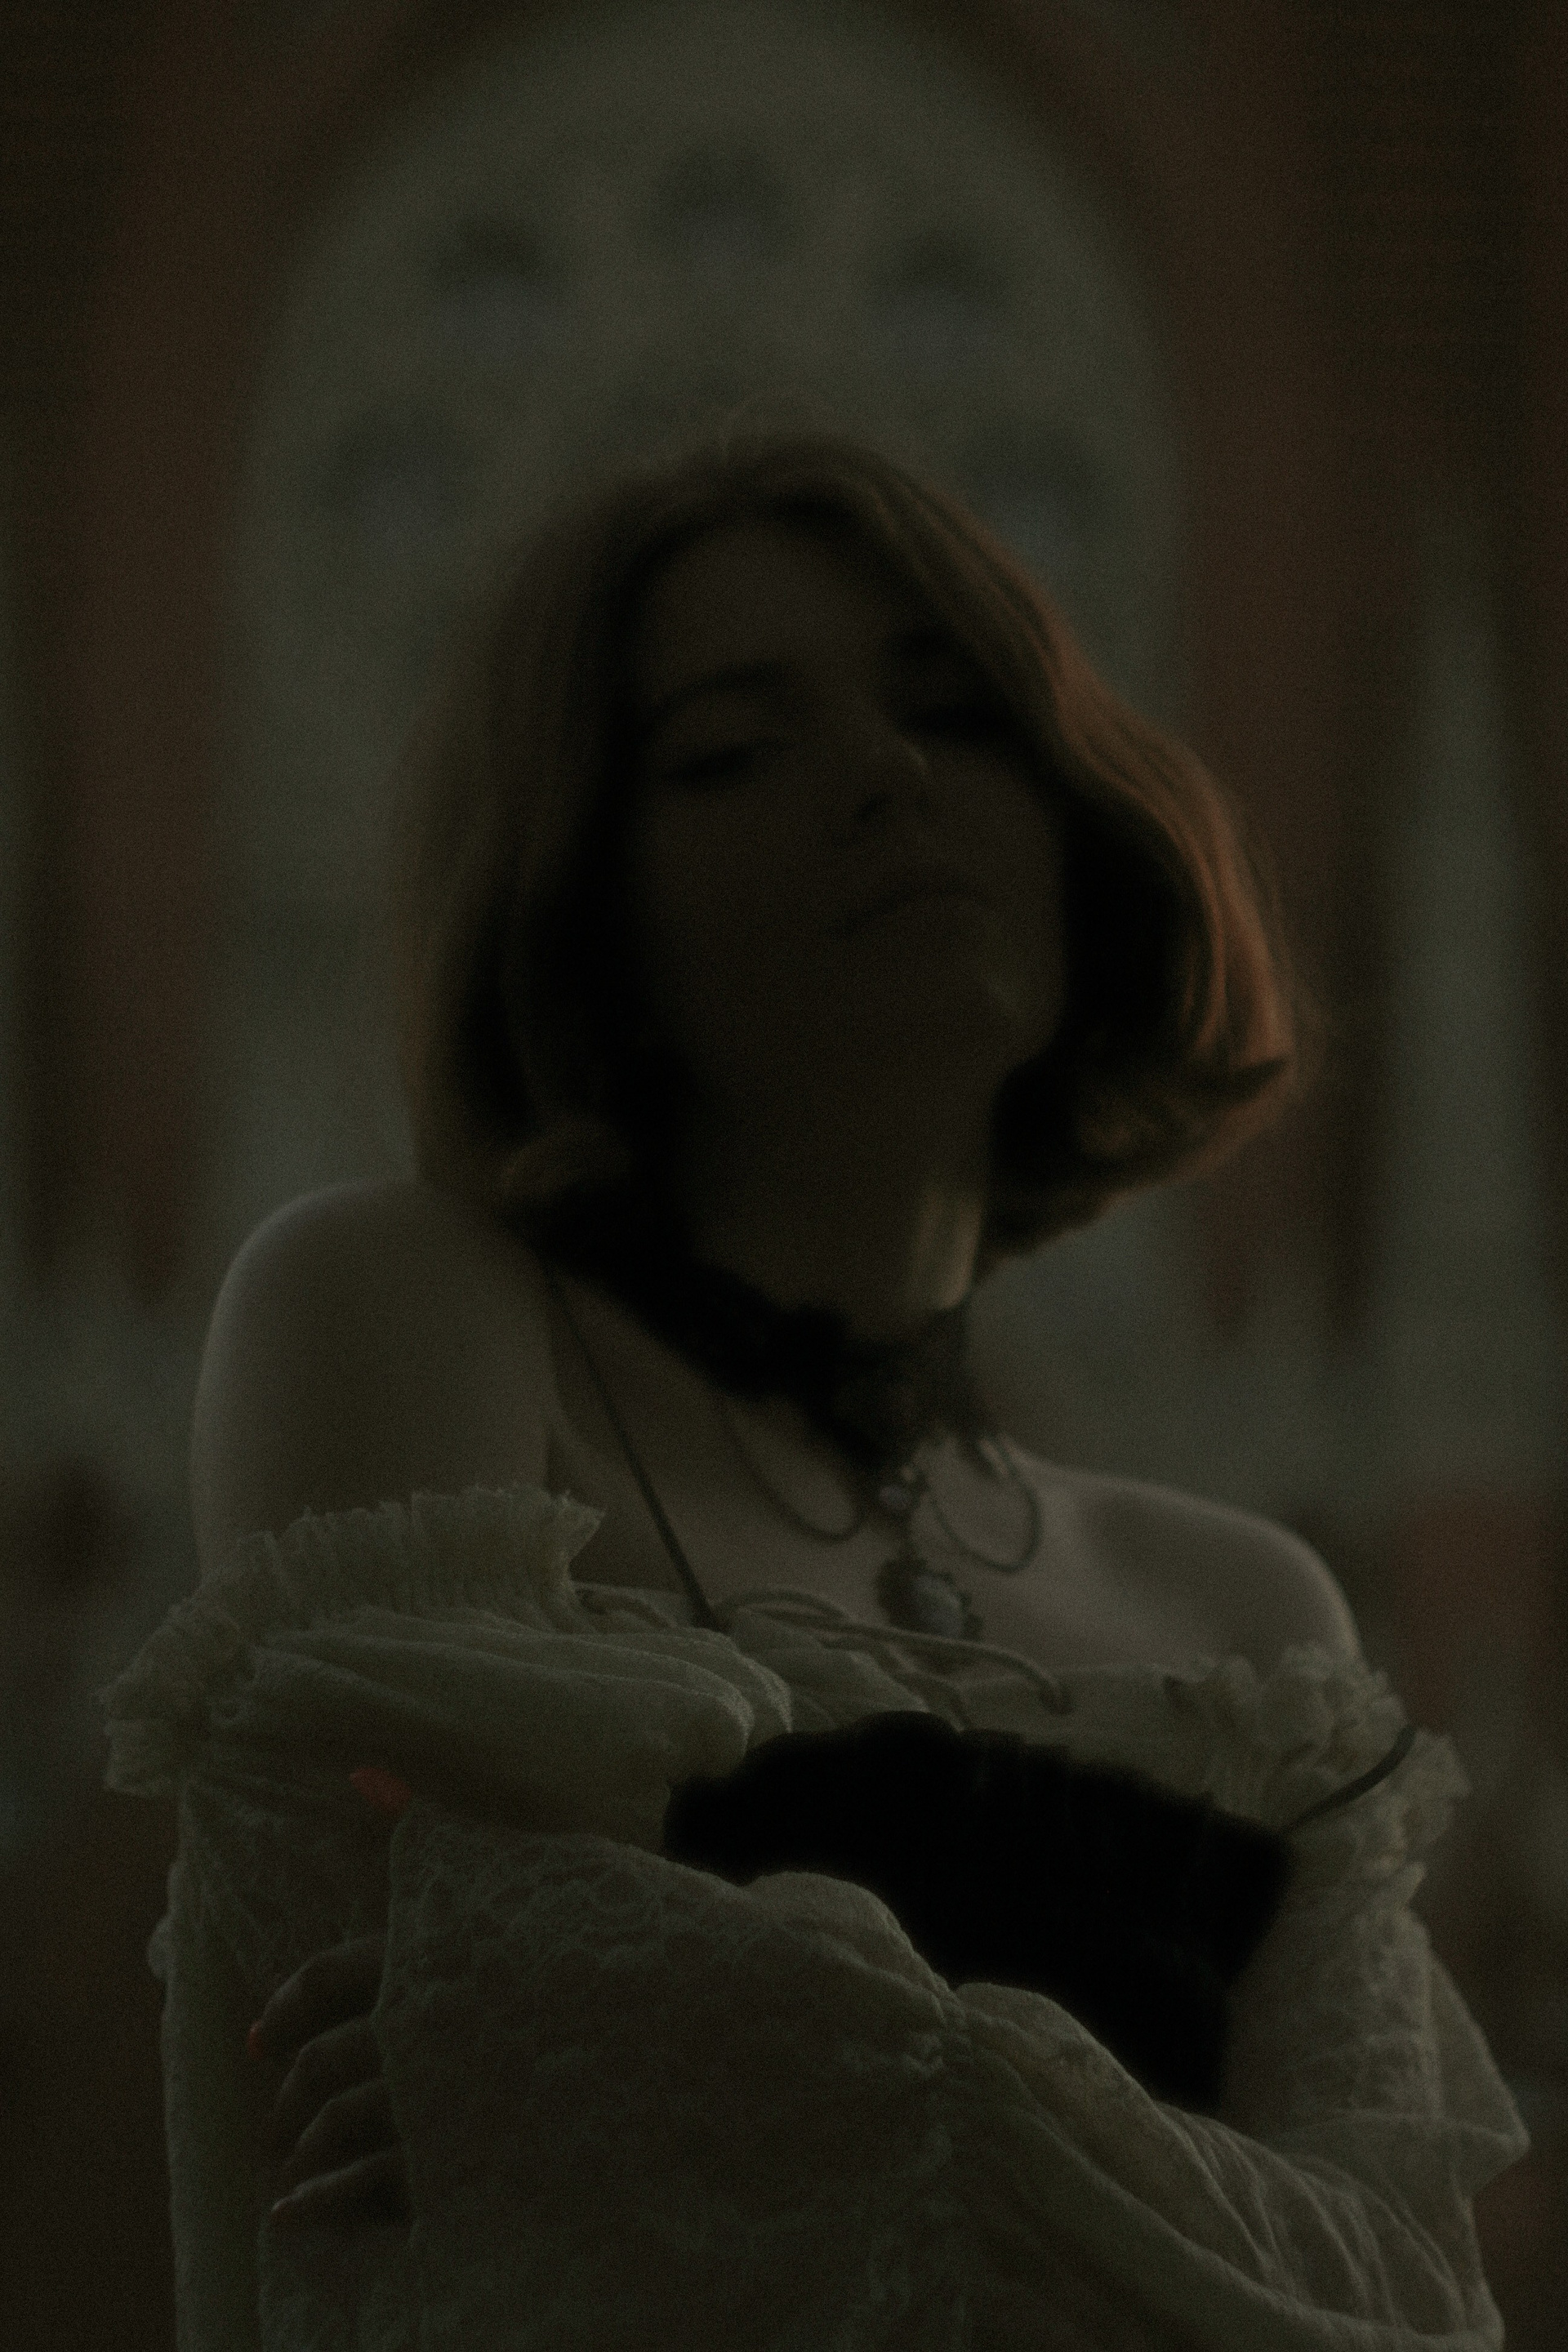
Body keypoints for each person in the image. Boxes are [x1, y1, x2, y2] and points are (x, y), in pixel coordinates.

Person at [102, 425, 1530, 2350]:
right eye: (731, 752)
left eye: (954, 710)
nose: (884, 775)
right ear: (582, 892)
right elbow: (414, 2211)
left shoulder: (1250, 1614)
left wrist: (770, 2073)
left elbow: (1408, 2301)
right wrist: (1157, 2210)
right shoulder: (401, 1317)